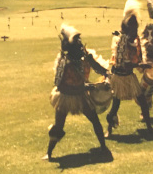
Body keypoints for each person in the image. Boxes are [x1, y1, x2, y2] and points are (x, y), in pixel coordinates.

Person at [43, 24, 110, 161]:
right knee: (58, 126)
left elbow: (102, 70)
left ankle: (103, 147)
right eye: (77, 44)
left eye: (80, 43)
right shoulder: (64, 63)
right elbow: (60, 86)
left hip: (81, 96)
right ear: (70, 47)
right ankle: (49, 153)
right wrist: (85, 88)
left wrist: (106, 78)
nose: (80, 46)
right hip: (65, 97)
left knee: (95, 120)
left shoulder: (86, 58)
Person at [105, 0, 153, 137]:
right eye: (134, 29)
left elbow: (133, 60)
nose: (136, 31)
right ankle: (109, 130)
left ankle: (149, 128)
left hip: (129, 76)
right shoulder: (122, 41)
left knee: (142, 102)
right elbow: (124, 63)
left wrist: (141, 64)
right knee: (115, 106)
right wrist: (141, 65)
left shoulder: (130, 40)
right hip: (120, 77)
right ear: (129, 29)